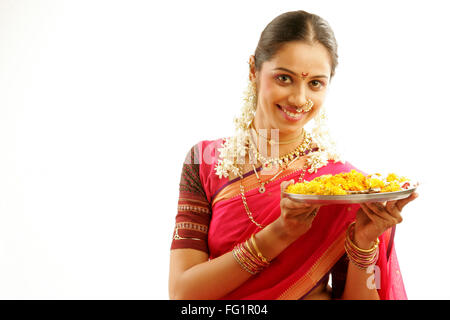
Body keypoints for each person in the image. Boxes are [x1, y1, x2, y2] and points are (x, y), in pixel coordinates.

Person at [168, 10, 418, 300]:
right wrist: (281, 234)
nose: (299, 99)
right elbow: (183, 294)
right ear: (253, 70)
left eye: (315, 83)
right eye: (284, 78)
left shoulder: (346, 188)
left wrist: (363, 244)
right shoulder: (206, 161)